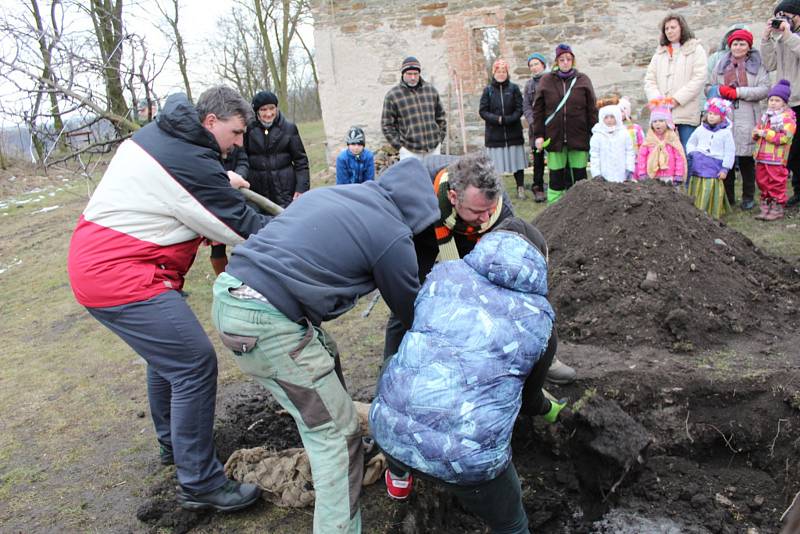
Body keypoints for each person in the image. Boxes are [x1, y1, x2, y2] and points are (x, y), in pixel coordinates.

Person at [211, 157, 442, 534]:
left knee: (325, 352)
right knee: (336, 437)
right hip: (267, 323)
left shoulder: (341, 196)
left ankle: (345, 431)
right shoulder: (394, 236)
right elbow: (412, 315)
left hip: (231, 298)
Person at [66, 86, 270, 511]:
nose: (238, 143)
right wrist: (301, 234)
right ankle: (199, 483)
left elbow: (187, 187)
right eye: (234, 133)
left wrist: (220, 178)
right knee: (194, 362)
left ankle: (174, 447)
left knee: (170, 360)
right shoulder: (187, 159)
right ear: (210, 122)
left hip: (103, 265)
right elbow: (235, 226)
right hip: (119, 273)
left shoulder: (167, 137)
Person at [370, 217, 567, 534]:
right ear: (540, 263)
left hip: (386, 430)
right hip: (468, 464)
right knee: (512, 522)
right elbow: (528, 401)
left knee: (398, 378)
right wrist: (551, 409)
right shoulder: (540, 321)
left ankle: (399, 478)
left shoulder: (443, 274)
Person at [381, 152, 577, 386]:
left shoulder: (498, 213)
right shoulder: (420, 182)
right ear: (454, 196)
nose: (485, 217)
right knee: (408, 296)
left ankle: (544, 359)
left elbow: (517, 274)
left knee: (511, 292)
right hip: (426, 230)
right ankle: (392, 367)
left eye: (489, 209)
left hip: (475, 237)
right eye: (478, 211)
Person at [707, 28, 770, 210]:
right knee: (727, 158)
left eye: (742, 43)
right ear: (730, 45)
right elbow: (709, 86)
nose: (738, 47)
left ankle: (748, 196)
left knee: (746, 160)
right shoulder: (721, 65)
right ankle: (729, 196)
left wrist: (738, 92)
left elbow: (764, 88)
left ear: (748, 46)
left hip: (748, 115)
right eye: (735, 43)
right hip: (725, 116)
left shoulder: (757, 66)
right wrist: (720, 91)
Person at [533, 44, 598, 204]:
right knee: (556, 177)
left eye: (568, 59)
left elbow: (591, 109)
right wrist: (539, 135)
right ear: (556, 61)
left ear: (573, 61)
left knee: (579, 176)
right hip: (554, 138)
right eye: (562, 59)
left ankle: (581, 206)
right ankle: (554, 209)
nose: (565, 62)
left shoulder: (583, 80)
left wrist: (594, 133)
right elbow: (538, 110)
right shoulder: (546, 80)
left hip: (579, 136)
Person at [643, 13, 708, 156]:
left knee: (685, 152)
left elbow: (699, 78)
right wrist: (658, 100)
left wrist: (676, 100)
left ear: (682, 28)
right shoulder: (659, 53)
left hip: (685, 112)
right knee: (663, 153)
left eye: (673, 27)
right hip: (662, 114)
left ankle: (685, 179)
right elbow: (649, 79)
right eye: (666, 29)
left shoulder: (696, 50)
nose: (669, 31)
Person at [761, 1, 800, 207]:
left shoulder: (792, 38)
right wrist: (767, 38)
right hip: (786, 104)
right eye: (779, 16)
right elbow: (769, 64)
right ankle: (797, 191)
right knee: (790, 152)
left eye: (786, 15)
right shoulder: (782, 40)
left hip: (799, 101)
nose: (783, 20)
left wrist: (787, 34)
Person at [245, 90, 310, 208]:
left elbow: (301, 161)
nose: (269, 113)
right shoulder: (248, 130)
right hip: (258, 195)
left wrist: (301, 188)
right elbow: (242, 159)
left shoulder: (289, 128)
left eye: (272, 108)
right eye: (263, 109)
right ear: (257, 112)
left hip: (286, 193)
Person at [479, 59, 528, 200]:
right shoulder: (488, 90)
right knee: (495, 166)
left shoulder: (514, 89)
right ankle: (497, 191)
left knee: (517, 163)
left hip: (513, 132)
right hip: (495, 135)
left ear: (507, 73)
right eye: (498, 71)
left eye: (504, 71)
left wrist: (509, 119)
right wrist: (497, 119)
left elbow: (520, 108)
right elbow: (483, 111)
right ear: (493, 73)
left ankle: (520, 187)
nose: (501, 74)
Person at [381, 56, 447, 160]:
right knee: (412, 177)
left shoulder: (430, 90)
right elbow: (387, 125)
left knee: (434, 176)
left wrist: (440, 140)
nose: (413, 77)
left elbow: (441, 117)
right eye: (409, 74)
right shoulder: (393, 95)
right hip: (409, 151)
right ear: (403, 74)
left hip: (433, 148)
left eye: (415, 74)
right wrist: (400, 147)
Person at [753, 79, 797, 220]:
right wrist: (756, 133)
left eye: (777, 100)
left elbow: (785, 138)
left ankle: (777, 207)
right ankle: (766, 206)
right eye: (771, 100)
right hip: (762, 156)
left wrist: (766, 133)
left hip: (776, 158)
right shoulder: (766, 116)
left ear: (784, 102)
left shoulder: (788, 119)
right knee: (762, 181)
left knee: (776, 182)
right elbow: (759, 130)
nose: (773, 103)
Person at [686, 98, 736, 219]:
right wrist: (693, 153)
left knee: (709, 187)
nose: (712, 117)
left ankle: (709, 211)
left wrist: (725, 169)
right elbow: (691, 142)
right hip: (699, 163)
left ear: (722, 117)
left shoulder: (726, 133)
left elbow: (730, 152)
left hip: (714, 165)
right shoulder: (700, 129)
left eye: (716, 114)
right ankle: (694, 210)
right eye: (710, 114)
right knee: (697, 186)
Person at [209, 145, 251, 275]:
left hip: (237, 196)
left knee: (242, 241)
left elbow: (243, 161)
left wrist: (238, 177)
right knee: (217, 247)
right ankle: (222, 279)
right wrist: (223, 180)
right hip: (214, 198)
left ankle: (243, 277)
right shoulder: (206, 145)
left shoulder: (235, 140)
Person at [636, 98, 687, 186]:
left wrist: (678, 174)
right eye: (655, 121)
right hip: (653, 176)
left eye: (661, 121)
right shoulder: (649, 140)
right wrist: (642, 173)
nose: (658, 124)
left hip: (669, 176)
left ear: (667, 123)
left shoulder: (672, 139)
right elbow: (642, 157)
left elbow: (679, 157)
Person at [522, 53, 548, 202]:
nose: (534, 67)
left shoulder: (551, 81)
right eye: (531, 65)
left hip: (551, 127)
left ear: (543, 65)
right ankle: (537, 187)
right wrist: (533, 121)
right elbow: (526, 106)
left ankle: (559, 184)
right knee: (538, 160)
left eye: (536, 64)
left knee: (556, 156)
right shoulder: (529, 85)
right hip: (535, 129)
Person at [590, 103, 635, 182]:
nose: (609, 120)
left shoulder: (624, 133)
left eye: (612, 117)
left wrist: (629, 168)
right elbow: (594, 156)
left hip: (622, 174)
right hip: (604, 175)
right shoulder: (597, 135)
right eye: (606, 117)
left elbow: (629, 152)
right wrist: (596, 174)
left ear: (617, 117)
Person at [619, 97, 646, 179]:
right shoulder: (613, 130)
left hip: (635, 162)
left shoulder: (636, 128)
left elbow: (642, 145)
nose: (619, 114)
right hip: (619, 163)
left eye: (622, 111)